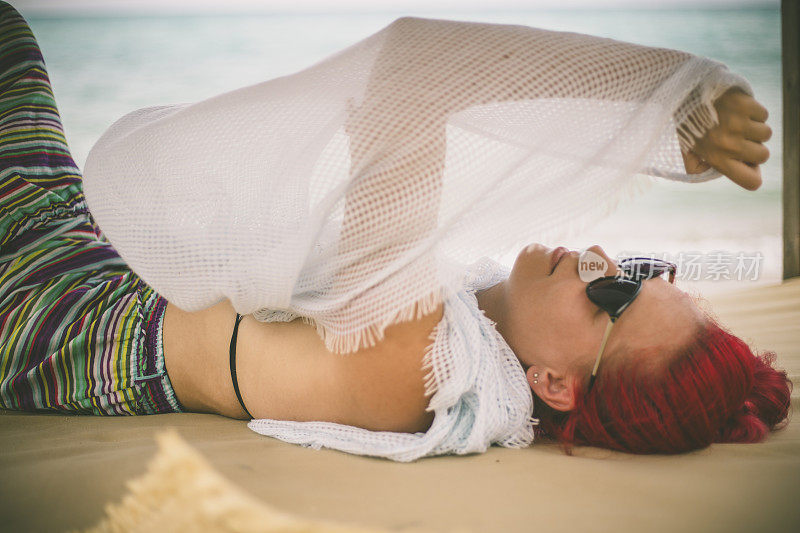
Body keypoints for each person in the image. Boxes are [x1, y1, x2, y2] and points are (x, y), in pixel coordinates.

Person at [0, 2, 791, 460]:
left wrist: (662, 102)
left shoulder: (414, 364)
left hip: (57, 312)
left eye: (614, 292)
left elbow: (410, 65)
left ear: (554, 383)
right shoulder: (463, 333)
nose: (597, 258)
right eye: (639, 264)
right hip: (98, 260)